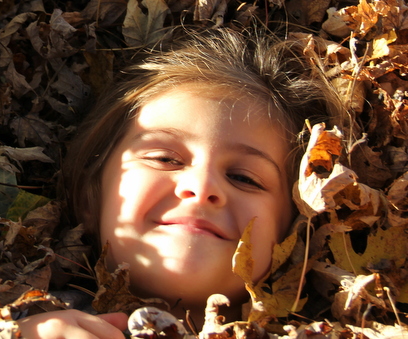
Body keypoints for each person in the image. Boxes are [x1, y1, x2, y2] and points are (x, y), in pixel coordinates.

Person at [18, 27, 346, 339]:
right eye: (165, 159)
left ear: (292, 234)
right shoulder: (24, 318)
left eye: (244, 178)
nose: (202, 187)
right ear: (92, 199)